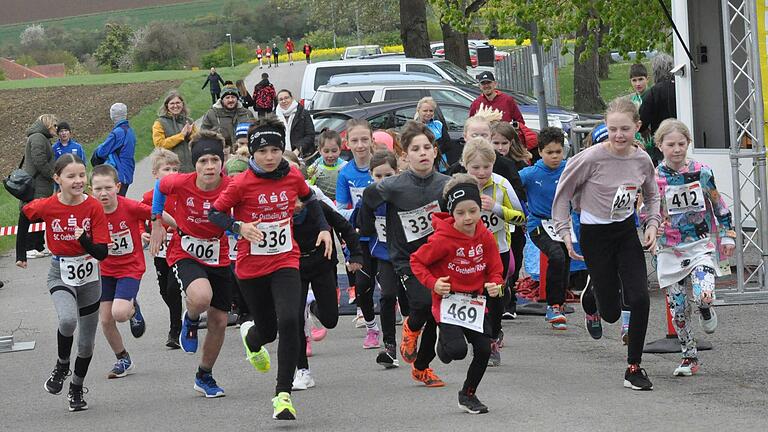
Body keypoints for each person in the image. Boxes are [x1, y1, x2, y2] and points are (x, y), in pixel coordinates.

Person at [207, 117, 333, 420]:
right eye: (263, 151)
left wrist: (324, 228)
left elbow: (310, 199)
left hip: (286, 259)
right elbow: (214, 214)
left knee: (290, 320)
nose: (269, 156)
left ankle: (282, 395)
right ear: (252, 153)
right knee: (269, 330)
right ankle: (252, 338)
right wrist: (239, 226)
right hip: (251, 268)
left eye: (275, 150)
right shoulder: (241, 183)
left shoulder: (291, 175)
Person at [552, 97, 660, 391]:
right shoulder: (590, 158)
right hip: (594, 234)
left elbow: (652, 195)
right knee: (610, 312)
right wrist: (565, 233)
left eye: (625, 129)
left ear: (637, 127)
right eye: (613, 129)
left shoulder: (642, 159)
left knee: (638, 298)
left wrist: (652, 224)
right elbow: (562, 195)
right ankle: (592, 300)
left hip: (625, 231)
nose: (619, 135)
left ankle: (634, 367)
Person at [359, 120, 451, 388]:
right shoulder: (393, 185)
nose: (422, 153)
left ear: (435, 152)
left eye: (427, 147)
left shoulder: (446, 184)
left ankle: (422, 367)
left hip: (440, 259)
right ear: (405, 155)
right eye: (415, 149)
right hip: (407, 259)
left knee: (437, 314)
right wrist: (366, 232)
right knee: (422, 304)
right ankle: (411, 328)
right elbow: (367, 199)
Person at [16, 154, 111, 412]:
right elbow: (25, 214)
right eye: (71, 176)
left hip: (90, 276)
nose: (79, 180)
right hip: (60, 272)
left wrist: (85, 242)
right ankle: (61, 365)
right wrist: (20, 253)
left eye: (82, 175)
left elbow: (102, 252)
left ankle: (77, 388)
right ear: (57, 179)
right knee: (67, 320)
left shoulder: (93, 207)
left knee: (86, 343)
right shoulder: (47, 205)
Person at [149, 130, 234, 399]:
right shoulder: (179, 182)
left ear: (222, 161)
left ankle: (204, 375)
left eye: (214, 161)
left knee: (219, 320)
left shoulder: (232, 186)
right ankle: (192, 317)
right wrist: (156, 222)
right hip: (186, 251)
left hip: (218, 253)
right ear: (194, 164)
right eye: (203, 161)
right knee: (200, 296)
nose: (209, 167)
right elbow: (160, 189)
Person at [410, 173, 504, 414]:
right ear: (452, 213)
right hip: (448, 301)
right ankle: (444, 341)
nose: (468, 218)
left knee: (483, 349)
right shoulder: (442, 239)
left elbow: (495, 267)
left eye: (473, 211)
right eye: (460, 213)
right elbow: (417, 261)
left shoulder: (485, 236)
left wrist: (495, 283)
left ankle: (468, 394)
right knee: (456, 352)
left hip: (474, 301)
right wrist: (433, 283)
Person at [653, 119, 735, 376]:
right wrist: (649, 229)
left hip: (699, 245)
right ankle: (689, 355)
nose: (677, 149)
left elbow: (718, 204)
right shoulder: (654, 178)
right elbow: (646, 210)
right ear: (660, 146)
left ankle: (706, 308)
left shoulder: (702, 171)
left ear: (688, 143)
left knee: (703, 294)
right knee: (677, 308)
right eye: (671, 144)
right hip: (668, 249)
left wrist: (727, 234)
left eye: (681, 143)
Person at [92, 164, 169, 378]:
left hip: (130, 268)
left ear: (117, 187)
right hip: (105, 270)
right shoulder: (90, 211)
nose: (103, 193)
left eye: (108, 187)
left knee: (119, 313)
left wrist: (173, 227)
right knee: (106, 320)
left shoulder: (130, 207)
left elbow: (158, 213)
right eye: (98, 189)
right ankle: (123, 359)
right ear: (91, 190)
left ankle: (132, 308)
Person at [461, 137, 525, 365]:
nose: (481, 172)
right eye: (475, 167)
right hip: (467, 254)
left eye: (486, 167)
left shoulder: (501, 184)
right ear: (465, 166)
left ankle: (494, 333)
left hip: (498, 250)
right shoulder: (459, 187)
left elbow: (521, 218)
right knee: (474, 297)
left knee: (495, 299)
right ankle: (483, 341)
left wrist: (496, 209)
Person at [293, 193, 363, 390]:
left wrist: (356, 254)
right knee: (295, 318)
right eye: (291, 200)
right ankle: (302, 370)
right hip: (293, 268)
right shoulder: (278, 214)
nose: (296, 205)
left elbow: (346, 228)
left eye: (300, 200)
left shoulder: (319, 209)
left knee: (331, 319)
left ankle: (313, 306)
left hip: (322, 264)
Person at [354, 150, 409, 368]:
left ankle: (410, 333)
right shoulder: (368, 199)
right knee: (387, 295)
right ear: (371, 175)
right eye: (378, 176)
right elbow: (358, 229)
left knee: (409, 300)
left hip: (408, 255)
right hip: (384, 255)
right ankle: (389, 347)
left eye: (388, 175)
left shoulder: (406, 196)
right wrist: (355, 253)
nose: (383, 181)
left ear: (397, 172)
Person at [519, 127, 570, 330]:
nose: (555, 157)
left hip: (563, 223)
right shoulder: (530, 174)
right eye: (550, 152)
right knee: (556, 256)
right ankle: (553, 306)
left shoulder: (569, 169)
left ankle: (560, 302)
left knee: (565, 261)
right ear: (540, 152)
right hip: (538, 224)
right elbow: (509, 184)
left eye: (558, 152)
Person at [336, 119, 380, 346]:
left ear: (372, 140)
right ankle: (371, 327)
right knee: (363, 285)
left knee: (389, 283)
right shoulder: (345, 173)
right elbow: (341, 210)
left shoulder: (381, 167)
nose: (361, 145)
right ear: (347, 143)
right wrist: (359, 217)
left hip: (384, 237)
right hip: (361, 236)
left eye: (365, 139)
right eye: (355, 140)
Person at [141, 149, 182, 349]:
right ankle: (178, 315)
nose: (172, 172)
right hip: (161, 250)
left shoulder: (183, 194)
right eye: (167, 169)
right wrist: (143, 232)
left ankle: (175, 330)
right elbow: (139, 217)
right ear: (155, 174)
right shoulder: (149, 197)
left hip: (181, 249)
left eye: (175, 169)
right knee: (164, 289)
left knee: (174, 288)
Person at [19, 114, 58, 259]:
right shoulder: (37, 137)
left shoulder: (43, 138)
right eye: (54, 125)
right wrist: (52, 174)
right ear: (48, 124)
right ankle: (29, 247)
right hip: (37, 184)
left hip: (42, 185)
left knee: (41, 215)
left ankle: (38, 246)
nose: (56, 128)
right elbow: (39, 160)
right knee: (33, 215)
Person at [92, 103, 136, 197]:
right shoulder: (130, 131)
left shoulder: (117, 133)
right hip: (128, 170)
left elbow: (102, 152)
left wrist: (97, 150)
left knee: (115, 203)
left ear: (112, 115)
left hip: (119, 172)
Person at [640, 53, 676, 166]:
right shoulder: (682, 88)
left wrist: (644, 129)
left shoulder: (652, 93)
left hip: (662, 145)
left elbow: (642, 120)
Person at [152, 90, 197, 173]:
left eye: (178, 103)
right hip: (171, 170)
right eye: (172, 103)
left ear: (182, 104)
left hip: (192, 168)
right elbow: (159, 145)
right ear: (167, 106)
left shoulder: (189, 121)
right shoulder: (159, 123)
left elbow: (198, 143)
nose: (175, 106)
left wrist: (190, 135)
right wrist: (181, 136)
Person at [200, 85, 255, 149]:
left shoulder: (247, 113)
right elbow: (203, 135)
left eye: (233, 97)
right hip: (222, 153)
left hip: (243, 152)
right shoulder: (211, 114)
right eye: (227, 97)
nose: (230, 100)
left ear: (237, 98)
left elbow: (254, 133)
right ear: (222, 99)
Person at [414, 97, 457, 169]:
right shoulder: (414, 127)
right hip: (422, 165)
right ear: (418, 110)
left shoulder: (438, 124)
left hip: (441, 165)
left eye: (431, 111)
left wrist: (435, 153)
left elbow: (448, 144)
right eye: (425, 111)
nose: (428, 113)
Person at [307, 129, 347, 201]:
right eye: (326, 151)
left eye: (334, 151)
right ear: (319, 150)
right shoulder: (314, 168)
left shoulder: (345, 167)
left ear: (340, 149)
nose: (330, 155)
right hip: (322, 203)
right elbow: (309, 188)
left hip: (339, 202)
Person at [275, 90, 316, 159]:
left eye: (286, 98)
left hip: (302, 156)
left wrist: (298, 150)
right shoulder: (274, 117)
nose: (284, 101)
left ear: (292, 98)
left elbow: (310, 135)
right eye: (281, 99)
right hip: (281, 157)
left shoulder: (303, 113)